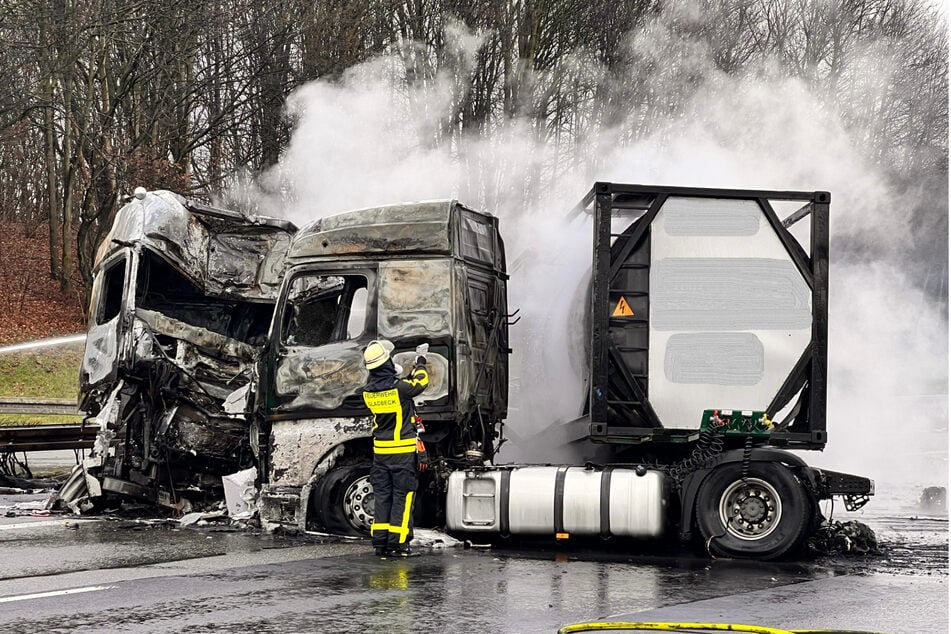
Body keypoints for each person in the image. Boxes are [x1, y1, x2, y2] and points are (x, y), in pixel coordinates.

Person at [362, 339, 429, 558]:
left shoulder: (369, 392)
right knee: (403, 496)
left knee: (382, 496)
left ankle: (380, 543)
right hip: (402, 453)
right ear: (386, 364)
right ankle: (399, 544)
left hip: (380, 453)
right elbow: (421, 383)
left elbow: (396, 389)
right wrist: (420, 362)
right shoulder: (400, 388)